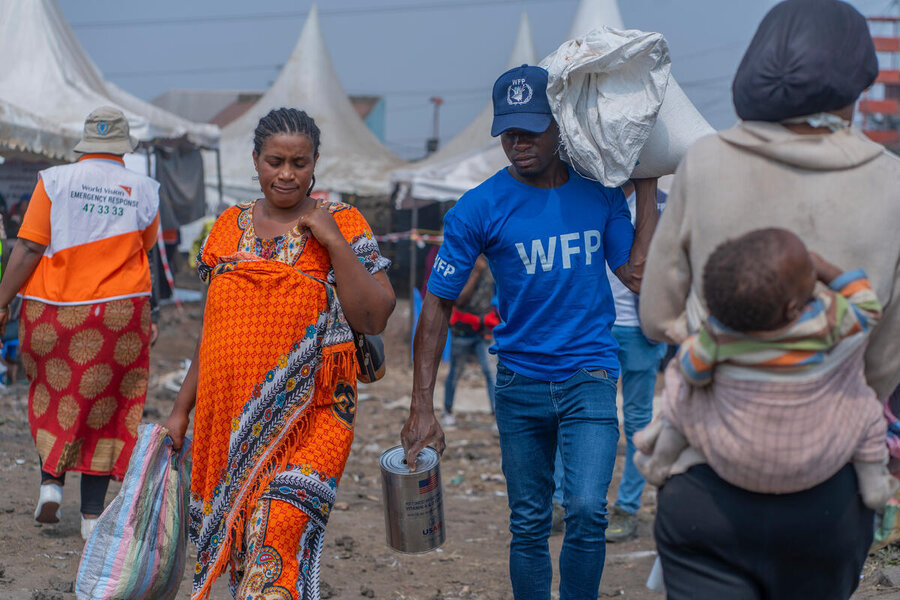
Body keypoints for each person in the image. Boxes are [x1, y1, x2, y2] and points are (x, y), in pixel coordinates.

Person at [639, 1, 900, 596]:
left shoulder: (705, 162)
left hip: (706, 480)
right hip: (827, 493)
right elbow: (885, 358)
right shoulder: (891, 182)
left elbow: (656, 317)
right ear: (859, 81)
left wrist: (722, 355)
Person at [401, 65, 659, 600]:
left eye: (531, 130)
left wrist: (647, 186)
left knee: (588, 509)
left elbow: (635, 274)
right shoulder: (478, 207)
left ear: (559, 125)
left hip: (589, 374)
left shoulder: (600, 194)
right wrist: (421, 405)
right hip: (518, 382)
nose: (518, 143)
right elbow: (436, 305)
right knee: (530, 523)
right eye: (508, 132)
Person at [163, 108, 395, 600]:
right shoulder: (227, 227)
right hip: (228, 420)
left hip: (315, 417)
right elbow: (214, 332)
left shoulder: (345, 222)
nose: (286, 174)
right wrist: (181, 412)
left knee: (276, 532)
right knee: (244, 550)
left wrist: (330, 239)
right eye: (275, 162)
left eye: (299, 162)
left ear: (315, 164)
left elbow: (375, 317)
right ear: (255, 161)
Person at [635, 229, 897, 508]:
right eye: (808, 270)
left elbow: (694, 373)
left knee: (682, 390)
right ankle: (874, 484)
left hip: (732, 458)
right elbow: (868, 309)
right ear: (792, 307)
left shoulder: (718, 334)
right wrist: (826, 270)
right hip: (813, 458)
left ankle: (660, 461)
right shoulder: (824, 319)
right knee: (867, 409)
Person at [0, 107, 160, 540]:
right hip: (119, 313)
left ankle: (51, 483)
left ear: (85, 145)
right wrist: (154, 316)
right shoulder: (145, 189)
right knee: (108, 407)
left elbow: (29, 247)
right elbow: (144, 254)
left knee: (53, 394)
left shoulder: (53, 181)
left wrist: (1, 301)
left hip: (53, 310)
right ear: (125, 148)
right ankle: (91, 516)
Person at [442, 254, 498, 426]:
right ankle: (448, 410)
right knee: (455, 372)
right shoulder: (463, 266)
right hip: (463, 330)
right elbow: (458, 300)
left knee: (491, 373)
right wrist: (474, 273)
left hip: (485, 329)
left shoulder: (492, 266)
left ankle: (496, 415)